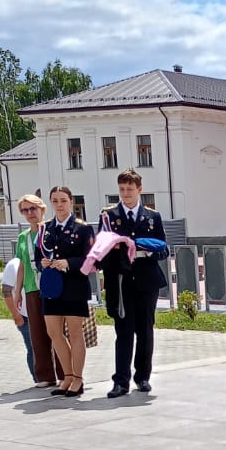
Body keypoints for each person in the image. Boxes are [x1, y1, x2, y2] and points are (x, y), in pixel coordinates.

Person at [99, 170, 169, 397]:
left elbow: (164, 249)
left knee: (145, 331)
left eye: (130, 189)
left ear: (139, 189)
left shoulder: (152, 216)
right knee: (124, 331)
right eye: (122, 189)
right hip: (121, 281)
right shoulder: (109, 216)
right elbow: (100, 249)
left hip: (146, 280)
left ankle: (143, 377)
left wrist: (147, 251)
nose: (126, 194)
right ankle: (121, 381)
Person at [36, 186, 95, 397]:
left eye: (63, 200)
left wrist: (67, 263)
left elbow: (90, 258)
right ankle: (67, 376)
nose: (59, 205)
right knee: (54, 332)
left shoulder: (83, 228)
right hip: (52, 287)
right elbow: (38, 255)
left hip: (74, 286)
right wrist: (43, 262)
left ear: (71, 202)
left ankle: (78, 378)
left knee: (75, 332)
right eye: (55, 201)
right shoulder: (45, 228)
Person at [13, 194, 59, 386]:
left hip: (52, 286)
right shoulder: (23, 237)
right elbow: (22, 264)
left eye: (33, 209)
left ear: (42, 209)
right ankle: (44, 375)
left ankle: (65, 371)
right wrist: (18, 290)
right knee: (37, 333)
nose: (30, 213)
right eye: (25, 210)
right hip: (32, 288)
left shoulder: (51, 231)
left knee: (56, 331)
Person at [0, 255, 34, 378]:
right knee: (32, 347)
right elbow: (6, 292)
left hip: (38, 312)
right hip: (24, 315)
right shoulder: (13, 265)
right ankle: (38, 378)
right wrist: (16, 315)